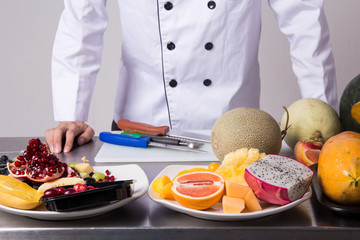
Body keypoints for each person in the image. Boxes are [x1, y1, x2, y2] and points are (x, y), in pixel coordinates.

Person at [45, 0, 338, 153]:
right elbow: (81, 21)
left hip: (237, 132)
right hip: (141, 130)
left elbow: (305, 22)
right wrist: (72, 115)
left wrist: (323, 127)